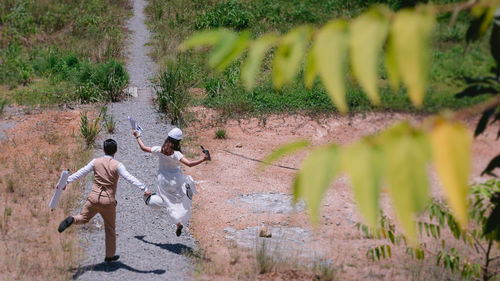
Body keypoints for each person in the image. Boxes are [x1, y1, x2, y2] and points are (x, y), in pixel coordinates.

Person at [56, 139, 149, 263]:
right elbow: (129, 178)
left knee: (83, 218)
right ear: (115, 151)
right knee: (110, 228)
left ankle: (72, 219)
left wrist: (65, 182)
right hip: (108, 201)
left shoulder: (96, 162)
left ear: (103, 150)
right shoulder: (118, 165)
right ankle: (109, 256)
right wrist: (144, 188)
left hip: (93, 198)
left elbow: (81, 172)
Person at [132, 127, 210, 237]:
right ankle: (185, 202)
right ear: (178, 141)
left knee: (169, 204)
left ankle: (178, 224)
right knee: (180, 199)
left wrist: (137, 136)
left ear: (167, 138)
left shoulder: (159, 149)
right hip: (177, 180)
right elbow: (189, 164)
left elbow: (143, 148)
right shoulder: (176, 154)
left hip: (163, 181)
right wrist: (203, 159)